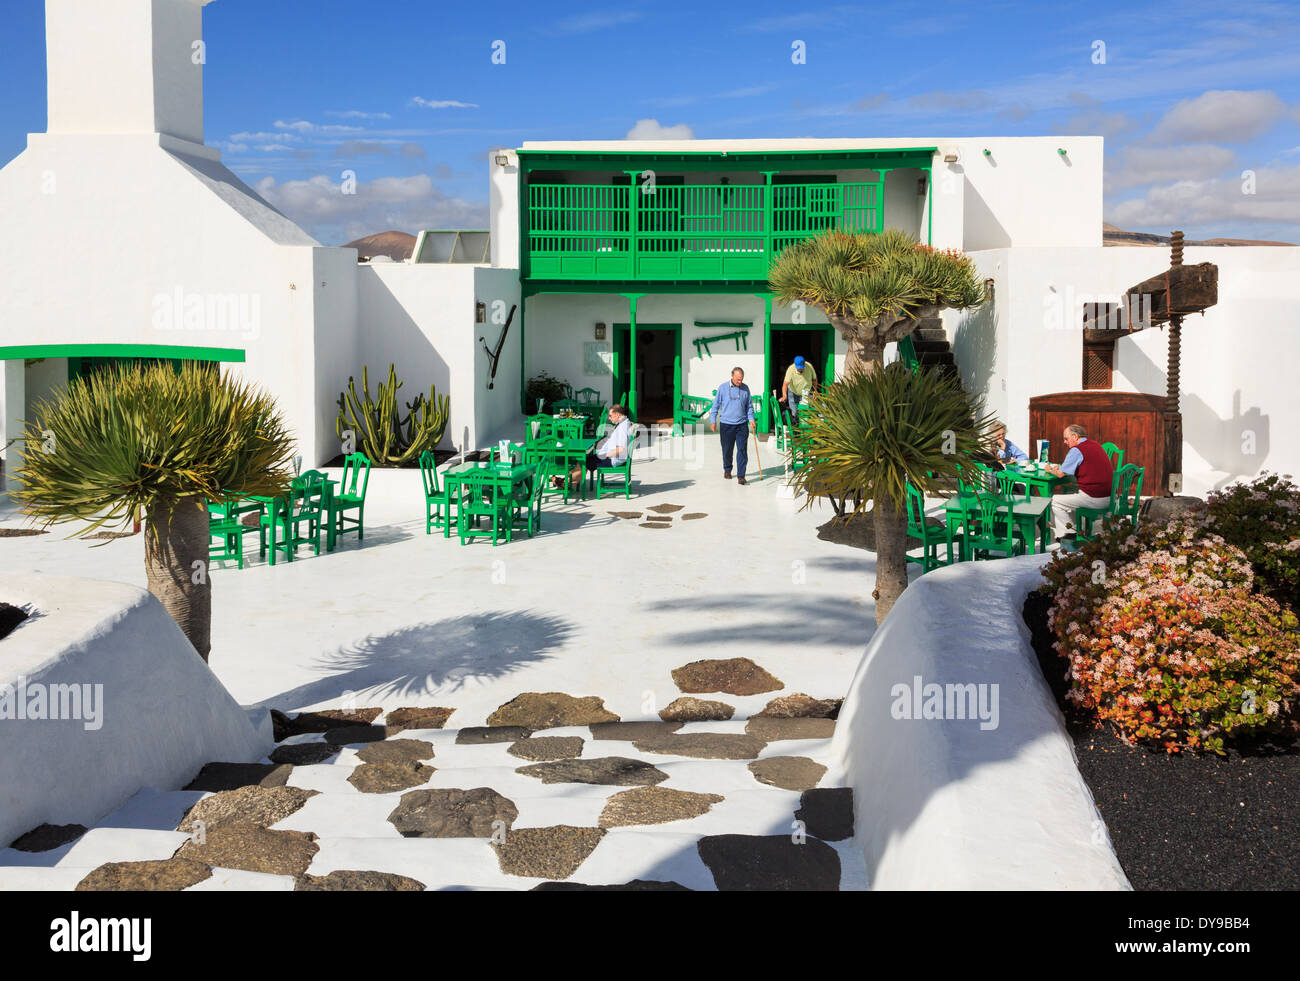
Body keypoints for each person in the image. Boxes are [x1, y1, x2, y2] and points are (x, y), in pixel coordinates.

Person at [1044, 423, 1114, 547]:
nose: (1065, 442)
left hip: (1095, 498)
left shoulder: (1077, 450)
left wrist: (1049, 469)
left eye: (1066, 438)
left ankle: (1069, 533)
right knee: (1069, 498)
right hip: (1110, 497)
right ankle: (1070, 532)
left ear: (1075, 436)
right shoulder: (1095, 444)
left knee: (1055, 500)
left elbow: (1060, 474)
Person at [709, 367, 757, 484]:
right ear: (732, 376)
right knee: (727, 450)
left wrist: (751, 419)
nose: (739, 382)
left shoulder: (745, 389)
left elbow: (749, 406)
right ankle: (727, 469)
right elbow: (715, 405)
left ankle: (741, 476)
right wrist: (713, 420)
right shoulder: (723, 388)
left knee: (742, 450)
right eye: (737, 380)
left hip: (741, 425)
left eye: (741, 380)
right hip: (726, 425)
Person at [575, 404, 630, 487]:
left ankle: (566, 483)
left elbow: (621, 449)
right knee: (585, 460)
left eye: (611, 416)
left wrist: (604, 455)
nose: (609, 418)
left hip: (612, 459)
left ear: (618, 414)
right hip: (612, 457)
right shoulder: (624, 423)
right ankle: (568, 483)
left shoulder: (623, 428)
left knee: (583, 462)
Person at [780, 355, 817, 423]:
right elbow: (785, 384)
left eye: (801, 368)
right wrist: (784, 395)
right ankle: (796, 430)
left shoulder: (809, 366)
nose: (800, 370)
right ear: (795, 364)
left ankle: (806, 430)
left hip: (807, 393)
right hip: (793, 392)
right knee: (794, 413)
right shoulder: (791, 369)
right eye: (798, 368)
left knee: (807, 412)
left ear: (804, 364)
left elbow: (814, 380)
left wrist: (815, 391)